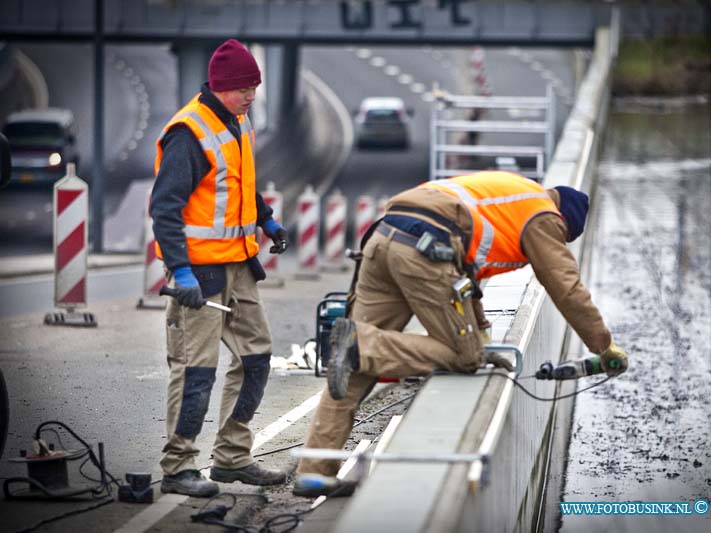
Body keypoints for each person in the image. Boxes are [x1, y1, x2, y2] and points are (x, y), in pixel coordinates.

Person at [293, 170, 628, 497]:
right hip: (425, 249)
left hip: (385, 236)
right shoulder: (544, 216)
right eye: (563, 235)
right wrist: (604, 345)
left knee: (349, 368)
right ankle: (360, 343)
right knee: (462, 358)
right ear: (565, 220)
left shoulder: (512, 195)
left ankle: (314, 472)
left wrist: (480, 333)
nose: (558, 239)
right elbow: (566, 287)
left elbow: (466, 279)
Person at [151, 39, 289, 498]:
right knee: (196, 370)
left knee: (256, 359)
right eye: (243, 88)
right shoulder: (188, 132)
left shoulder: (237, 121)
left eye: (255, 87)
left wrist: (266, 218)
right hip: (201, 273)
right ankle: (179, 466)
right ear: (219, 86)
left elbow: (239, 183)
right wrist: (180, 270)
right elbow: (165, 209)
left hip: (239, 265)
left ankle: (232, 457)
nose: (251, 95)